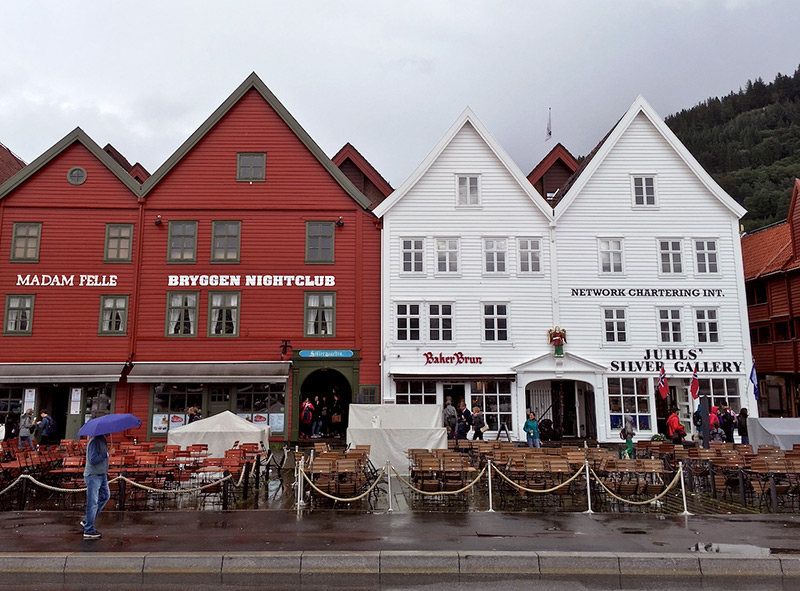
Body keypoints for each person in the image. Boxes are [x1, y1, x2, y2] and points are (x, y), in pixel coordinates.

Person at [82, 433, 109, 539]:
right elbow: (93, 459)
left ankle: (87, 520)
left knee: (104, 496)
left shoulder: (102, 440)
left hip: (101, 474)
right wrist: (106, 455)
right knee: (92, 502)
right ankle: (88, 529)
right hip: (93, 475)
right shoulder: (94, 442)